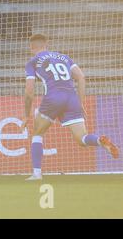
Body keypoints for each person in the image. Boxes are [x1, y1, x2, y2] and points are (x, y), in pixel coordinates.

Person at [22, 34, 120, 181]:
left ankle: (37, 174)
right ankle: (99, 140)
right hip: (71, 98)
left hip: (53, 98)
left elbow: (29, 92)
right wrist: (80, 102)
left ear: (31, 47)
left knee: (37, 133)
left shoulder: (33, 62)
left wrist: (27, 114)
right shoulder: (64, 57)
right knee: (82, 139)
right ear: (46, 44)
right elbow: (81, 77)